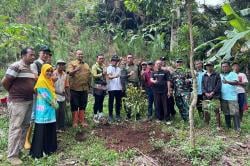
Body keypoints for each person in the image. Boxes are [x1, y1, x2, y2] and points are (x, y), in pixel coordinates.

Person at [1, 47, 36, 165]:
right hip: (17, 102)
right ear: (23, 55)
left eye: (34, 55)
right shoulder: (16, 66)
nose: (33, 57)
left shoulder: (30, 68)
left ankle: (20, 149)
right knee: (15, 127)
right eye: (31, 55)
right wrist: (14, 93)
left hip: (28, 101)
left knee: (25, 125)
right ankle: (12, 155)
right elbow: (5, 82)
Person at [30, 64, 58, 158]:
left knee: (49, 129)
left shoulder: (49, 81)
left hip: (50, 110)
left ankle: (49, 149)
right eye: (47, 71)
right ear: (43, 71)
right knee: (41, 130)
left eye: (51, 71)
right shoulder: (41, 81)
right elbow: (46, 95)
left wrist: (54, 103)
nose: (49, 73)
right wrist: (54, 103)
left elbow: (52, 93)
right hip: (43, 110)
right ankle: (38, 152)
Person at [67, 50, 91, 128]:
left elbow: (89, 76)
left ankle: (82, 121)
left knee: (83, 105)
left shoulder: (86, 65)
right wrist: (76, 70)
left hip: (84, 88)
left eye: (82, 54)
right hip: (74, 88)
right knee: (74, 105)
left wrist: (89, 86)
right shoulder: (72, 63)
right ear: (76, 55)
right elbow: (69, 73)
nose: (80, 55)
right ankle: (75, 122)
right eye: (79, 54)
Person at [220, 62, 240, 131]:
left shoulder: (233, 74)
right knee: (226, 113)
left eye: (226, 66)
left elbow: (236, 82)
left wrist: (227, 82)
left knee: (235, 113)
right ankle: (228, 127)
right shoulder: (220, 75)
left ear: (229, 67)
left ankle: (237, 128)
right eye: (223, 67)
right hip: (223, 97)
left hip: (232, 97)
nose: (224, 68)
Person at [202, 62, 221, 129]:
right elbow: (202, 86)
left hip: (215, 95)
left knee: (216, 110)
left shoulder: (217, 75)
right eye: (207, 66)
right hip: (206, 96)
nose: (209, 67)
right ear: (206, 67)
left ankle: (218, 125)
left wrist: (213, 92)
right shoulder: (204, 75)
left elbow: (218, 85)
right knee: (206, 111)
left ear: (213, 66)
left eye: (210, 66)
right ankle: (207, 125)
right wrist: (205, 92)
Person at [53, 60, 70, 131]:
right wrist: (58, 93)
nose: (61, 66)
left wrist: (68, 96)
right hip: (54, 96)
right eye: (59, 65)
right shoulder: (53, 73)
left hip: (62, 96)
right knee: (56, 112)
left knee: (62, 112)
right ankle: (55, 128)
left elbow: (66, 86)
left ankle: (62, 126)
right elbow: (50, 86)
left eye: (63, 65)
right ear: (56, 65)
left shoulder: (65, 75)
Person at [107, 55, 123, 122]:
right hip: (111, 88)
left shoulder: (119, 69)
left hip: (118, 88)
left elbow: (120, 78)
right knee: (111, 102)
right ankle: (110, 115)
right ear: (111, 61)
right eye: (114, 60)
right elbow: (109, 77)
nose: (115, 62)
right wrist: (115, 76)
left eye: (116, 61)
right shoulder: (109, 68)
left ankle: (118, 115)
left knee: (118, 102)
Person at [91, 54, 107, 123]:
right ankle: (95, 115)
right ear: (97, 59)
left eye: (102, 58)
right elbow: (94, 75)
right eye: (100, 58)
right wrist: (102, 74)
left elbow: (105, 75)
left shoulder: (103, 66)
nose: (101, 60)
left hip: (103, 85)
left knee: (101, 100)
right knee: (97, 101)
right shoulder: (94, 66)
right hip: (97, 86)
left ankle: (100, 114)